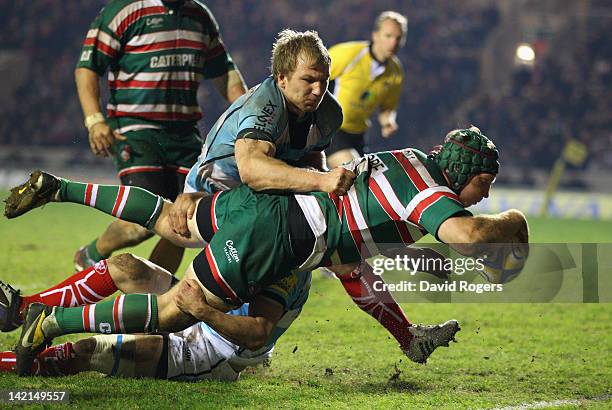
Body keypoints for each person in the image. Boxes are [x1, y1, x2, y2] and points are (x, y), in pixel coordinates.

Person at [5, 127, 529, 375]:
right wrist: (515, 223)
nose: (485, 196)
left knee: (168, 217)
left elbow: (351, 267)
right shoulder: (430, 194)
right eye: (485, 183)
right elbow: (471, 238)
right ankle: (49, 324)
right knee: (173, 310)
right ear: (464, 174)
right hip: (278, 238)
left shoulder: (408, 159)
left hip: (261, 205)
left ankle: (63, 188)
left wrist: (405, 334)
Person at [73, 0, 247, 273]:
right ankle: (92, 254)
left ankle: (152, 295)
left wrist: (249, 117)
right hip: (136, 129)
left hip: (185, 134)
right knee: (142, 222)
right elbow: (88, 67)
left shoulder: (200, 17)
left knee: (185, 220)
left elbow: (223, 71)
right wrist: (94, 120)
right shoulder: (124, 11)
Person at [0, 259, 311, 381]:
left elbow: (257, 333)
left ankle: (8, 361)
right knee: (125, 267)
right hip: (195, 302)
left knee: (86, 351)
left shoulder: (292, 264)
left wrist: (201, 311)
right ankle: (24, 311)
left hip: (214, 348)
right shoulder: (250, 212)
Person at [326, 11, 407, 169]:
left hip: (358, 135)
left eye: (399, 38)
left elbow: (387, 106)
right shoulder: (348, 55)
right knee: (356, 171)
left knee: (364, 180)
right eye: (388, 36)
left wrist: (388, 122)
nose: (394, 43)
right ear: (375, 35)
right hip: (332, 129)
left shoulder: (396, 71)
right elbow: (312, 74)